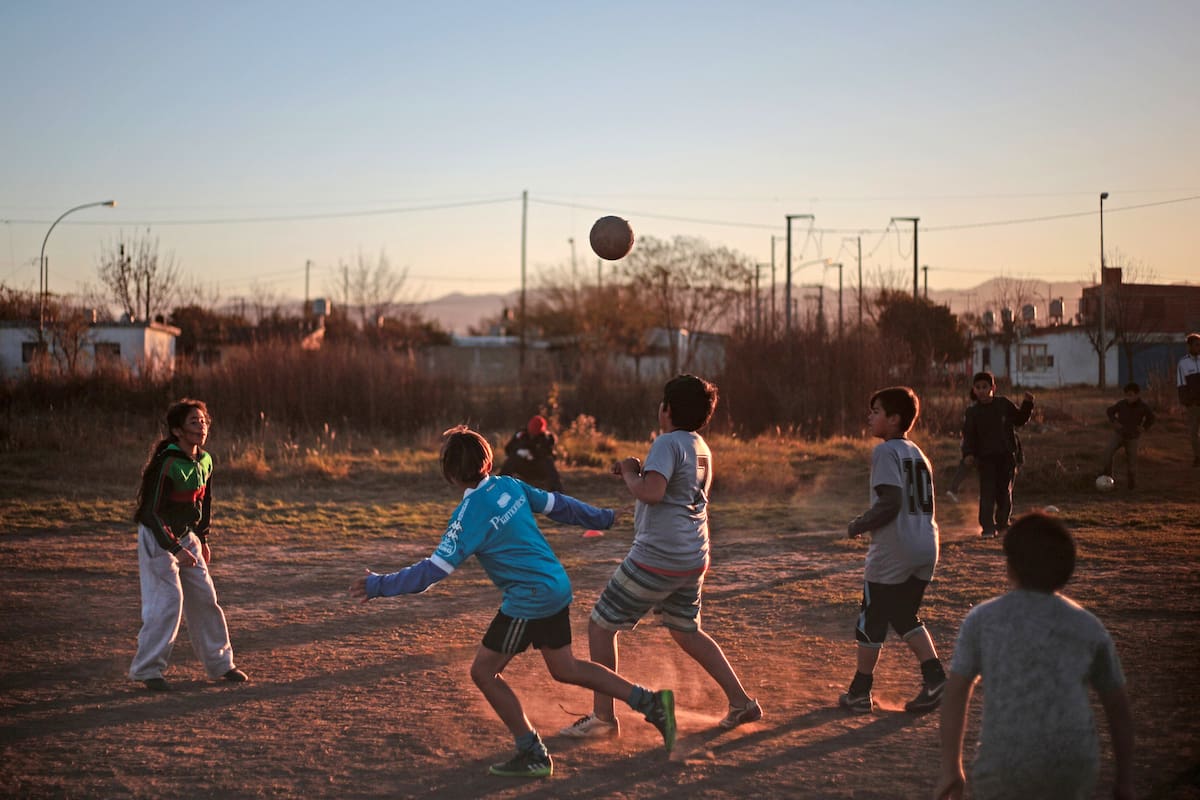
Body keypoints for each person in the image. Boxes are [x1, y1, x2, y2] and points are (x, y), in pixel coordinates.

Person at [349, 426, 675, 779]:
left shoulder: (467, 515)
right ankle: (651, 702)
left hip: (529, 599)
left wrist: (378, 584)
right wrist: (603, 517)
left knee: (484, 672)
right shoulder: (509, 485)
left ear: (451, 475)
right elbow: (559, 505)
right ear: (487, 460)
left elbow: (431, 572)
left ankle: (532, 752)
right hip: (554, 585)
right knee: (565, 668)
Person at [559, 374, 761, 740]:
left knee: (600, 625)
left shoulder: (667, 443)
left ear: (666, 409)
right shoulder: (700, 445)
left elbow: (651, 492)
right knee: (687, 630)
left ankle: (603, 718)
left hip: (658, 556)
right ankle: (741, 701)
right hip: (693, 555)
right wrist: (635, 471)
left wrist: (631, 474)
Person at [934, 513, 1134, 800]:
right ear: (1068, 568)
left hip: (1003, 762)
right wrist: (1125, 779)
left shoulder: (983, 619)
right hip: (1072, 764)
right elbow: (1118, 706)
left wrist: (951, 767)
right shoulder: (1087, 625)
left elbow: (956, 691)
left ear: (1010, 566)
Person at [840, 386, 946, 714]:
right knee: (901, 615)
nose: (870, 417)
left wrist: (860, 523)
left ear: (895, 418)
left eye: (876, 411)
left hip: (895, 548)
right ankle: (936, 679)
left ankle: (859, 692)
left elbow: (891, 501)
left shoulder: (886, 451)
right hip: (926, 544)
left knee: (871, 617)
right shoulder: (918, 453)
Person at [129, 398, 247, 691]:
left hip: (186, 536)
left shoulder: (204, 460)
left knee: (205, 597)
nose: (201, 426)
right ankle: (147, 669)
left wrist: (202, 538)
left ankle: (221, 664)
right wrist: (174, 548)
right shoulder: (167, 463)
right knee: (169, 601)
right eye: (193, 422)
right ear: (177, 431)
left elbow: (203, 502)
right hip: (158, 537)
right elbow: (149, 512)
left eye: (203, 421)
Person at [960, 371, 1034, 539]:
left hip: (1006, 457)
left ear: (993, 387)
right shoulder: (973, 412)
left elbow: (1020, 419)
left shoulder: (1003, 404)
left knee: (1004, 492)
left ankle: (1002, 524)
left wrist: (1027, 404)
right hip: (985, 459)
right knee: (987, 493)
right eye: (978, 387)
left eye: (985, 387)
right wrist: (968, 454)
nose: (981, 391)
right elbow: (969, 436)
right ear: (974, 389)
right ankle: (987, 527)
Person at [1100, 382, 1156, 490]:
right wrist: (1114, 422)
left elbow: (1152, 418)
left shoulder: (1143, 407)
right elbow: (1110, 411)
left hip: (1133, 438)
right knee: (1108, 452)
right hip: (1119, 434)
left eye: (1130, 395)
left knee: (1132, 462)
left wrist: (1144, 427)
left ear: (1137, 395)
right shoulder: (1122, 404)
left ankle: (1131, 486)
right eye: (1126, 395)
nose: (1128, 398)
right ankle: (1107, 479)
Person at [499, 415, 564, 492]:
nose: (532, 435)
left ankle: (558, 493)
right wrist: (518, 451)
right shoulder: (521, 434)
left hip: (539, 469)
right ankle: (499, 485)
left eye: (534, 434)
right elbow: (508, 449)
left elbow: (551, 455)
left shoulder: (548, 438)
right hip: (524, 466)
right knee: (512, 460)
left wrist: (533, 454)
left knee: (548, 462)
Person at [943, 387, 978, 504]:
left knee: (965, 468)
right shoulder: (975, 410)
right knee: (977, 468)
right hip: (974, 445)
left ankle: (953, 490)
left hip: (968, 444)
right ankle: (953, 490)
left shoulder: (971, 409)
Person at [1178, 332, 1200, 467]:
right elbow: (1181, 384)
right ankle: (1197, 456)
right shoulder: (1183, 363)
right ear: (1190, 346)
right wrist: (1186, 402)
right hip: (1193, 405)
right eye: (1197, 345)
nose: (1199, 347)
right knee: (1193, 433)